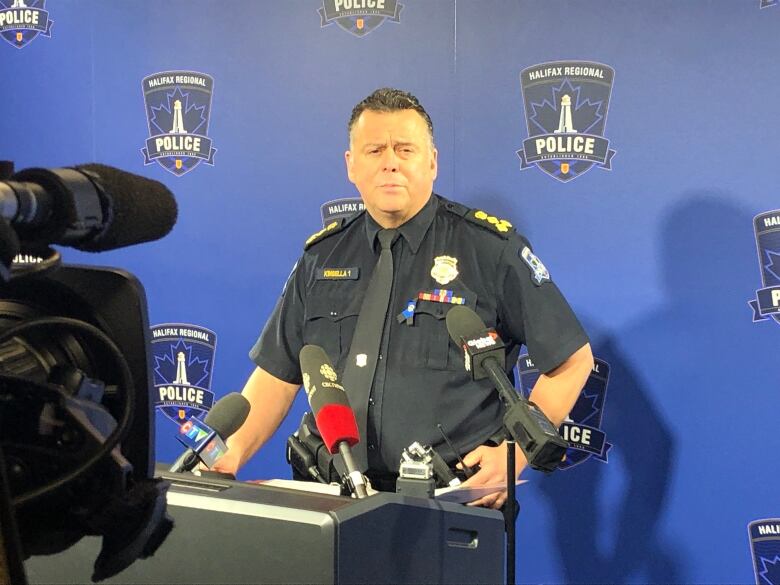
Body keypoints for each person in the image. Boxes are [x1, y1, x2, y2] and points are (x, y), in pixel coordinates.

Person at [213, 88, 593, 509]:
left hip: (448, 503)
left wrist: (514, 452)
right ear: (351, 165)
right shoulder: (321, 257)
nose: (390, 161)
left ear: (432, 161)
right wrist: (233, 451)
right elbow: (277, 376)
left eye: (405, 149)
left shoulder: (490, 250)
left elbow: (571, 360)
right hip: (332, 503)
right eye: (374, 149)